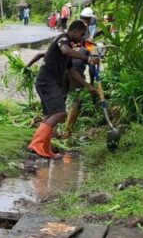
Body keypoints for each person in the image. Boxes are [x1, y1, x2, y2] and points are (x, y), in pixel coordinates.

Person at [26, 21, 94, 158]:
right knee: (60, 112)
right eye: (81, 34)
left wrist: (88, 86)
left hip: (49, 82)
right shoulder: (63, 39)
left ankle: (44, 148)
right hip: (47, 81)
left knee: (50, 115)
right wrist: (87, 59)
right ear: (75, 30)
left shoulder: (68, 48)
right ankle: (36, 144)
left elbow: (72, 72)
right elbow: (65, 50)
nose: (81, 38)